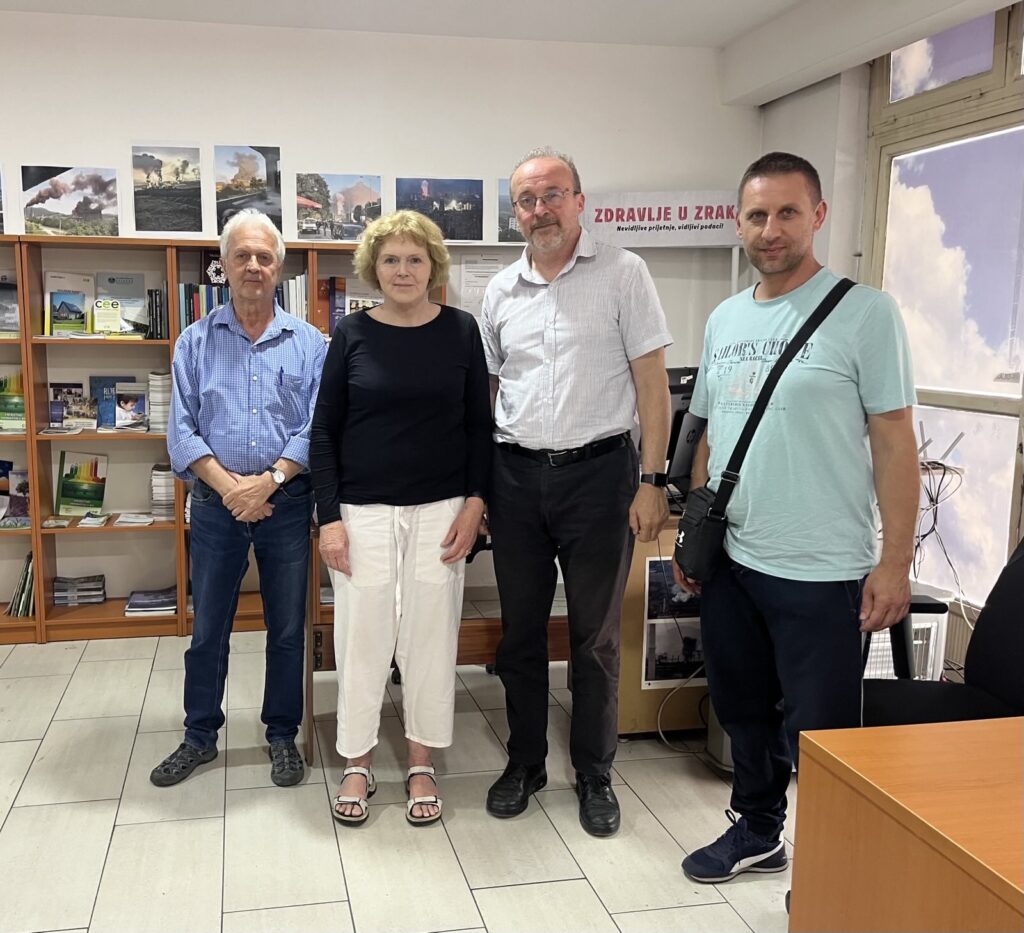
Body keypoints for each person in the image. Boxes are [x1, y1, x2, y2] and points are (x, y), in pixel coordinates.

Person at [674, 152, 919, 883]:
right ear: (739, 223)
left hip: (823, 567)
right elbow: (709, 435)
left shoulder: (865, 312)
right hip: (735, 563)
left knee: (824, 732)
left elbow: (894, 439)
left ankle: (831, 869)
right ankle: (757, 830)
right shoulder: (724, 317)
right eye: (757, 214)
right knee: (741, 708)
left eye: (787, 212)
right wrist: (695, 533)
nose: (771, 229)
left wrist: (896, 560)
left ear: (818, 215)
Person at [481, 147, 672, 837]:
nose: (540, 210)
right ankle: (526, 759)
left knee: (593, 638)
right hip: (515, 478)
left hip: (600, 477)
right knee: (521, 635)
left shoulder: (625, 274)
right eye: (527, 201)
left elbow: (654, 389)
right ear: (517, 213)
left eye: (552, 195)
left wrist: (652, 480)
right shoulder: (500, 290)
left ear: (580, 200)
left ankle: (594, 771)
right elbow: (492, 392)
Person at [309, 210, 491, 826]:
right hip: (361, 512)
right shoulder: (351, 334)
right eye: (392, 259)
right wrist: (327, 518)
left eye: (416, 259)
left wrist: (475, 502)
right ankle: (357, 762)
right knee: (362, 639)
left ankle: (420, 761)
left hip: (442, 510)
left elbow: (479, 429)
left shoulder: (462, 331)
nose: (404, 270)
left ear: (433, 266)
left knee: (430, 640)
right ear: (373, 269)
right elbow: (324, 432)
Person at [152, 208, 327, 788]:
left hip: (287, 503)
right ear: (221, 267)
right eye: (242, 256)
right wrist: (234, 491)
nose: (254, 265)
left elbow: (316, 428)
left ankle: (282, 735)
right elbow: (182, 432)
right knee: (209, 629)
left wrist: (269, 482)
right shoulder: (194, 342)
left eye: (265, 256)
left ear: (281, 266)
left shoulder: (310, 344)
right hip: (216, 507)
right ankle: (199, 735)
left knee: (285, 628)